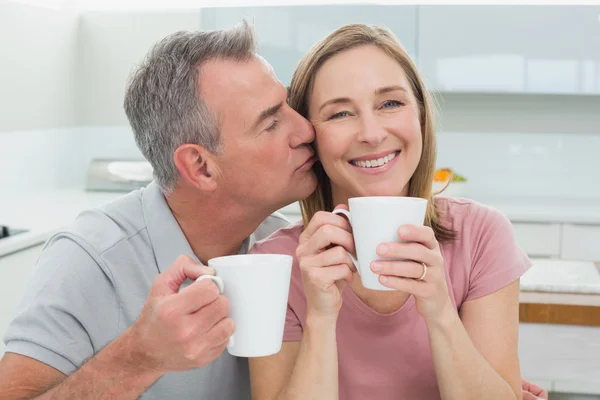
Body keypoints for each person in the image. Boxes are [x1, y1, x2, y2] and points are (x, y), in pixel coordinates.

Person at [0, 21, 317, 399]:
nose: (305, 130)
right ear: (201, 167)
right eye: (271, 123)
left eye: (289, 106)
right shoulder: (88, 260)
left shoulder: (286, 247)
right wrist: (139, 358)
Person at [249, 24, 540, 400]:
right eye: (340, 114)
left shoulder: (482, 235)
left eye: (390, 103)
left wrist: (440, 314)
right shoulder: (273, 265)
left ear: (420, 114)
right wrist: (321, 320)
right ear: (311, 136)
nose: (371, 133)